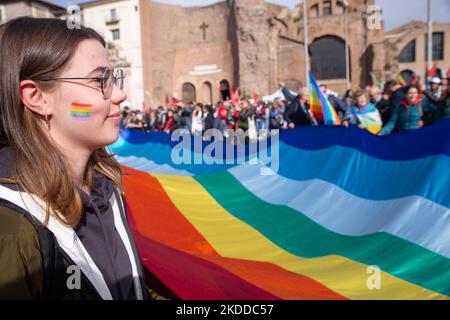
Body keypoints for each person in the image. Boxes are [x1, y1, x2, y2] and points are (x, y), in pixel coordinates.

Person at [0, 17, 146, 299]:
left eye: (113, 78)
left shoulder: (107, 187)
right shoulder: (10, 226)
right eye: (98, 80)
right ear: (37, 97)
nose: (120, 94)